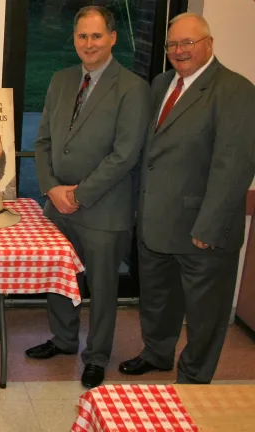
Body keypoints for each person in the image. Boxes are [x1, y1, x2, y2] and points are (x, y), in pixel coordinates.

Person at [119, 13, 255, 384]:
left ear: (209, 44)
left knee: (204, 312)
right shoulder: (162, 83)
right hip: (155, 223)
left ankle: (194, 377)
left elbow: (235, 166)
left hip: (202, 230)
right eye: (173, 44)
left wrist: (208, 226)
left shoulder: (236, 90)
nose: (179, 51)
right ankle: (157, 353)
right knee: (158, 301)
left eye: (187, 43)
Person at [30, 6, 150, 388]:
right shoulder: (61, 79)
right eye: (82, 36)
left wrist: (79, 195)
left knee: (102, 288)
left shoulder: (133, 88)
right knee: (58, 277)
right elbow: (44, 141)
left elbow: (125, 154)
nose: (89, 43)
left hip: (104, 209)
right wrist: (51, 188)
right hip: (57, 203)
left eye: (96, 36)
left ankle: (96, 356)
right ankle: (64, 340)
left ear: (113, 38)